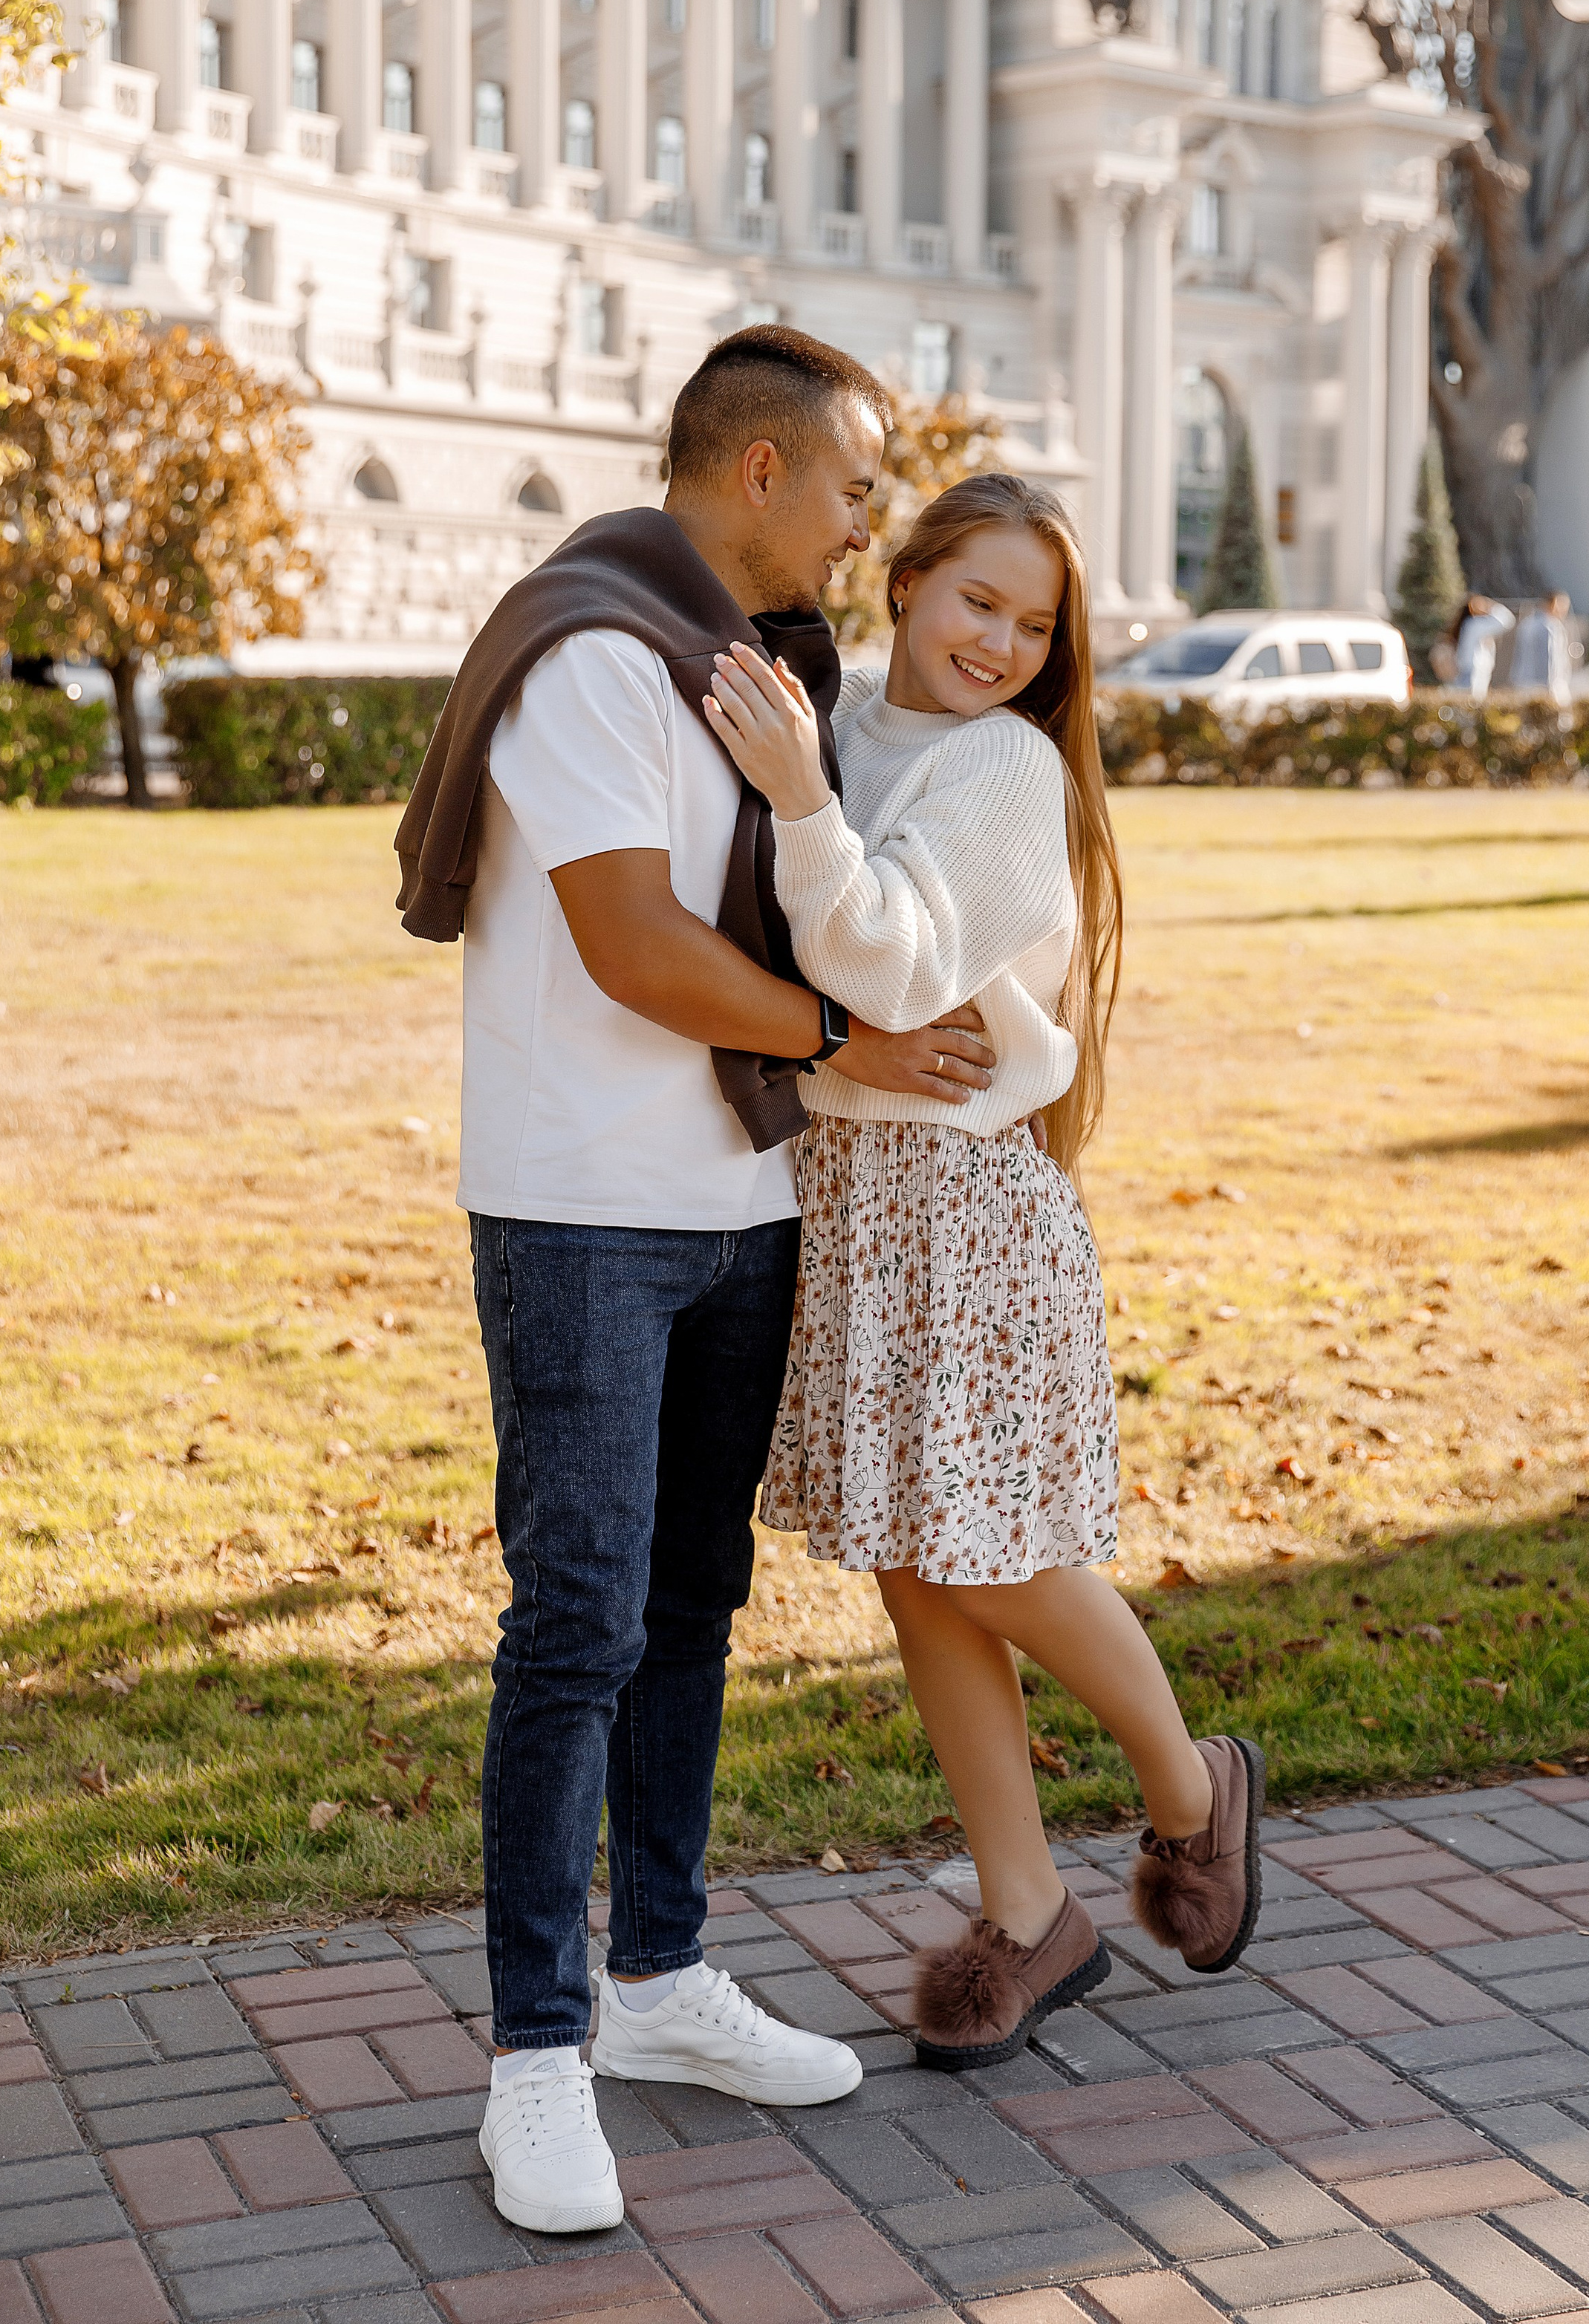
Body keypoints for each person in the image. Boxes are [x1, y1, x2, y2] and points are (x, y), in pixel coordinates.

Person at [394, 327, 1001, 2233]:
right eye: (845, 488)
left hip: (742, 1200)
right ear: (757, 474)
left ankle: (657, 1977)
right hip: (581, 1208)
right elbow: (634, 947)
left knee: (686, 1601)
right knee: (574, 1621)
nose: (856, 527)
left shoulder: (755, 669)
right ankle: (537, 2058)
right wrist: (846, 1037)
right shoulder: (587, 649)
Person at [702, 472, 1263, 2070]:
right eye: (978, 602)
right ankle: (1027, 1911)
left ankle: (1192, 1788)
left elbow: (884, 957)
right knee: (912, 1560)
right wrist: (806, 789)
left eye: (1035, 625)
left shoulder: (1003, 768)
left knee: (990, 1549)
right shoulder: (840, 722)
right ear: (907, 579)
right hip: (851, 1201)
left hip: (962, 1209)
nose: (1002, 644)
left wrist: (803, 806)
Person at [1509, 589, 1573, 703]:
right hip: (1545, 687)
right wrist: (1550, 688)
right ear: (1554, 604)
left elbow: (1517, 655)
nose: (1565, 611)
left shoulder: (1527, 623)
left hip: (1523, 683)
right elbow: (1550, 659)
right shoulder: (1550, 627)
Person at [1453, 591, 1515, 695]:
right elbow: (1507, 620)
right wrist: (1493, 606)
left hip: (1472, 669)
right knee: (1471, 701)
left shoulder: (1472, 624)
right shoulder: (1476, 624)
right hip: (1473, 670)